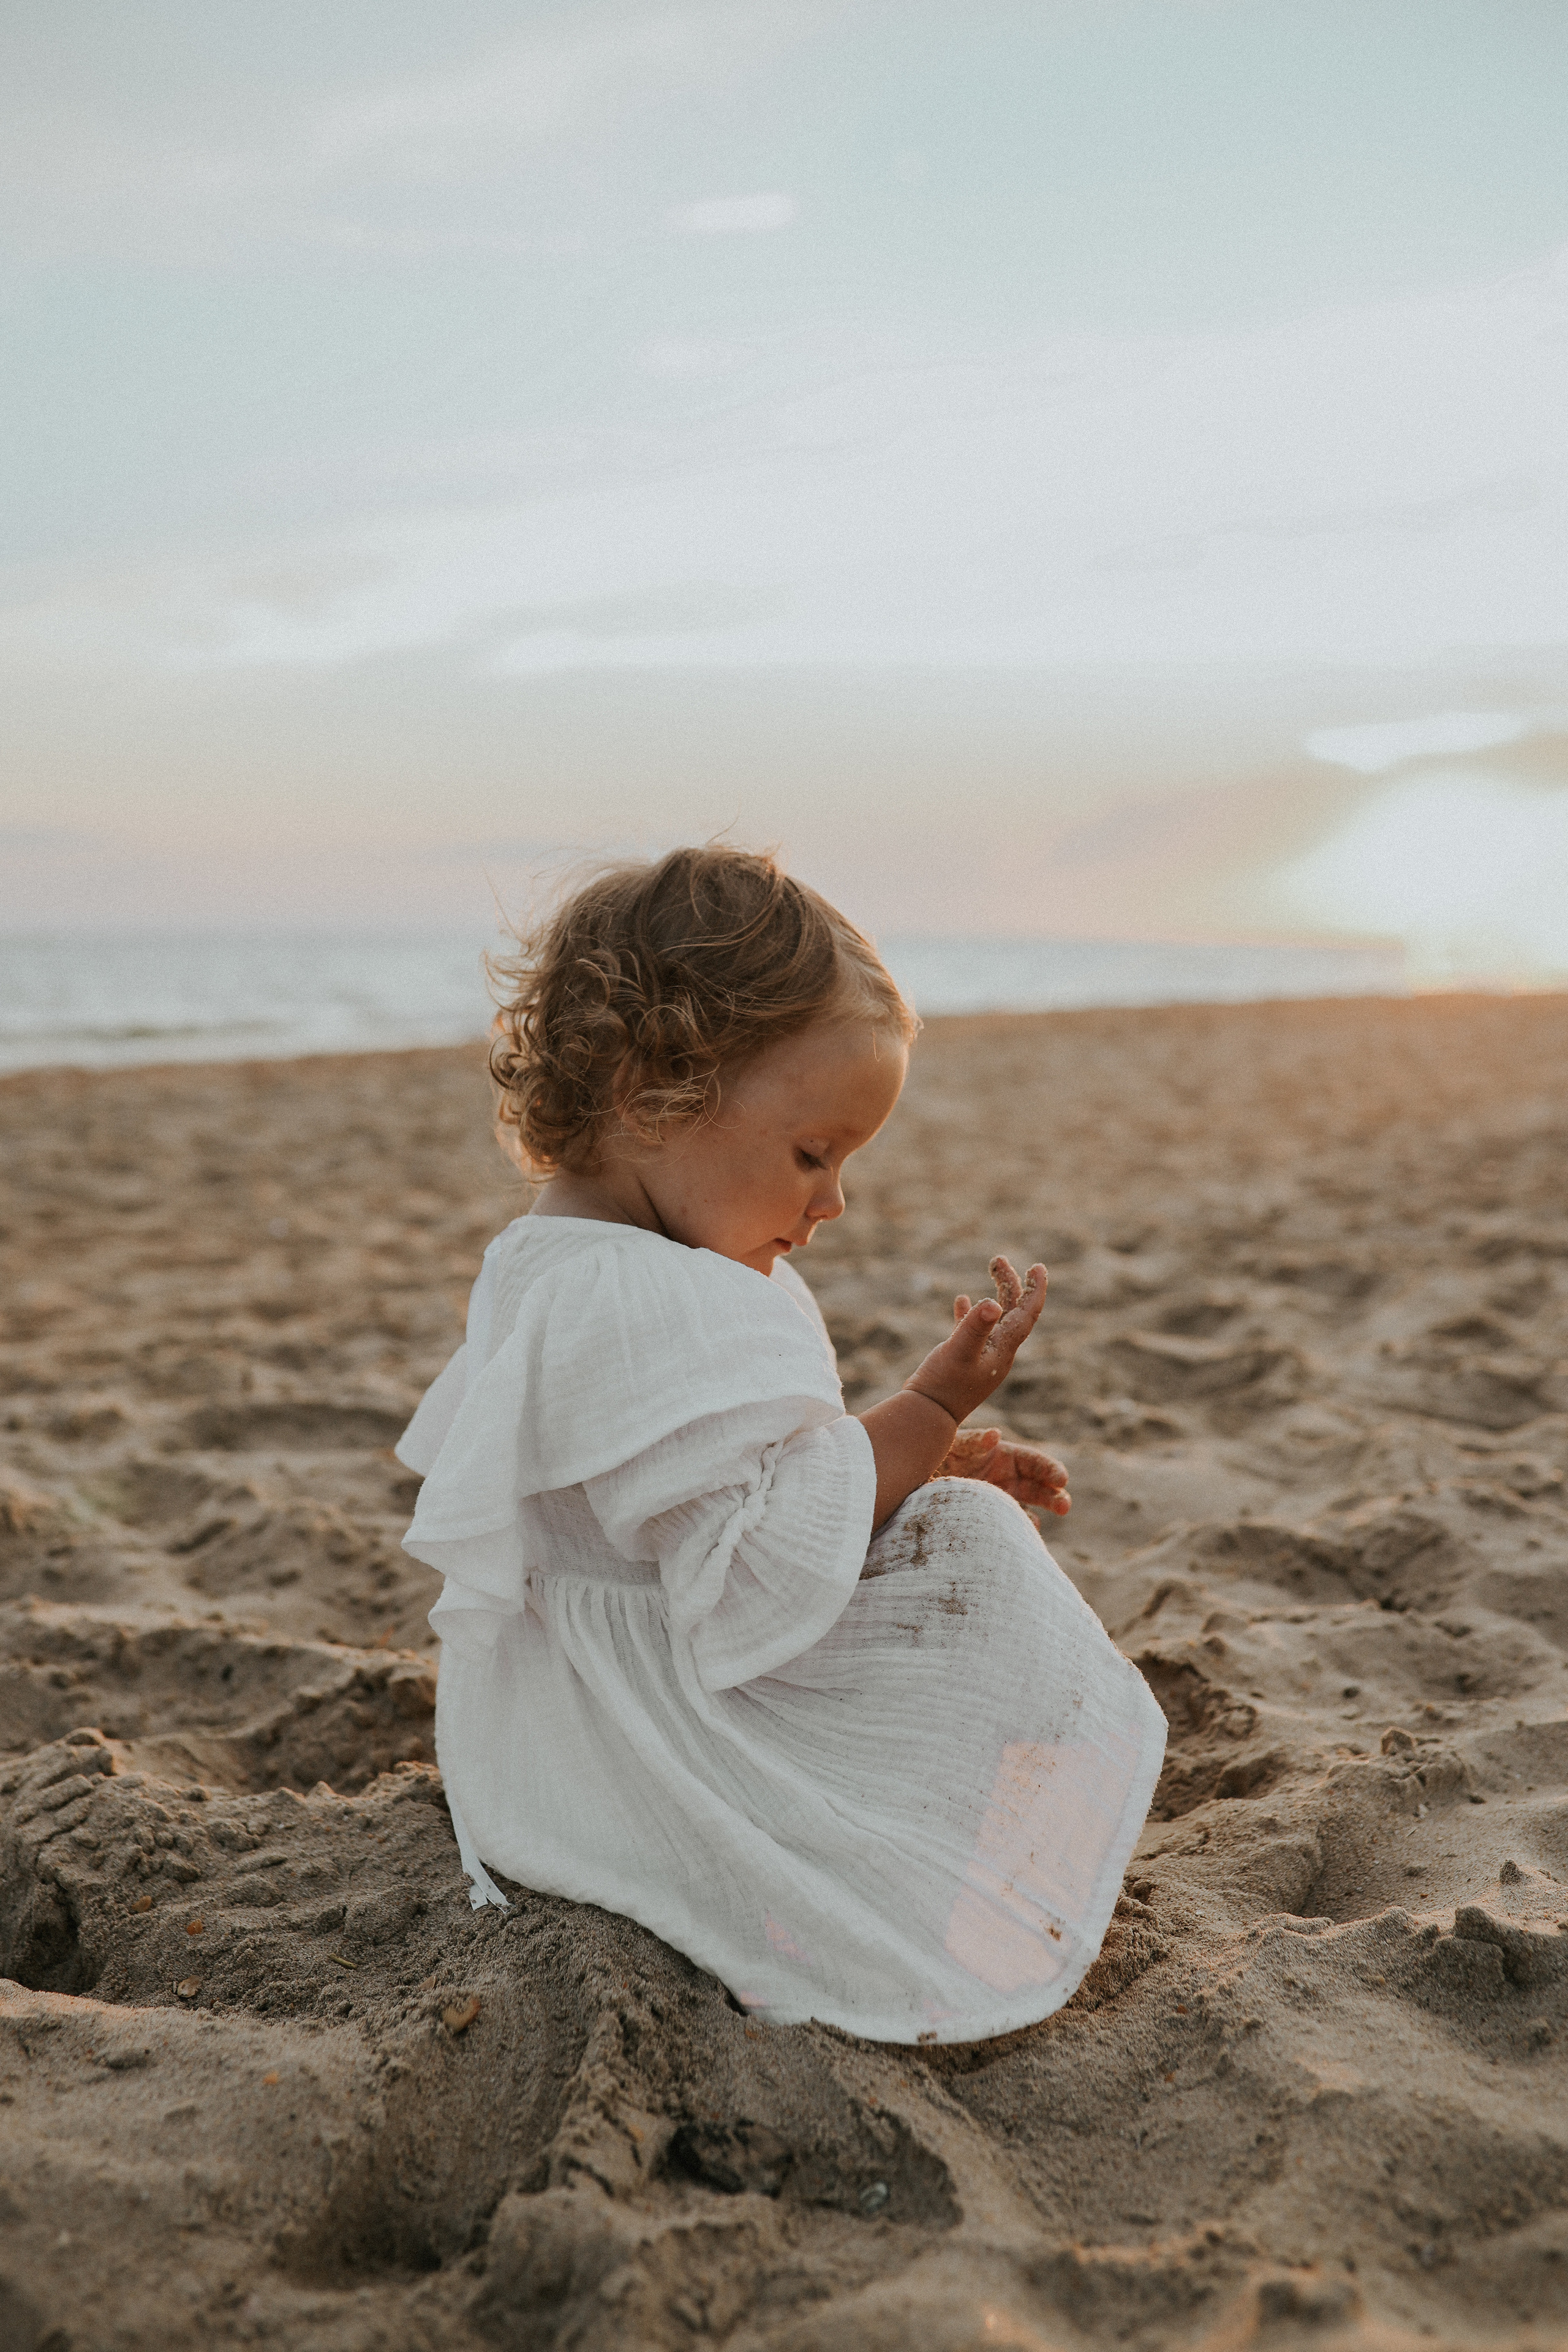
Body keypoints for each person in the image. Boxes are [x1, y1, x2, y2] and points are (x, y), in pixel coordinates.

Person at [397, 847, 1165, 2043]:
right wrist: (923, 1416)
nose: (833, 1201)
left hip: (558, 1738)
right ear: (653, 1091)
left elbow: (679, 1501)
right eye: (812, 1153)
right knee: (975, 1554)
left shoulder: (545, 1269)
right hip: (663, 1749)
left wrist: (903, 1472)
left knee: (941, 1515)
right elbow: (750, 1574)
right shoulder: (664, 1299)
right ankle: (967, 1883)